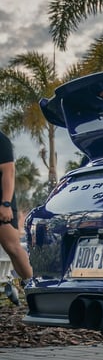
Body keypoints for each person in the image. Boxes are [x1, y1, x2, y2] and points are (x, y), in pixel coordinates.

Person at [0, 129, 33, 305]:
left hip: (1, 204)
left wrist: (6, 204)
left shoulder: (1, 140)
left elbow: (9, 171)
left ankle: (33, 287)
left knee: (12, 246)